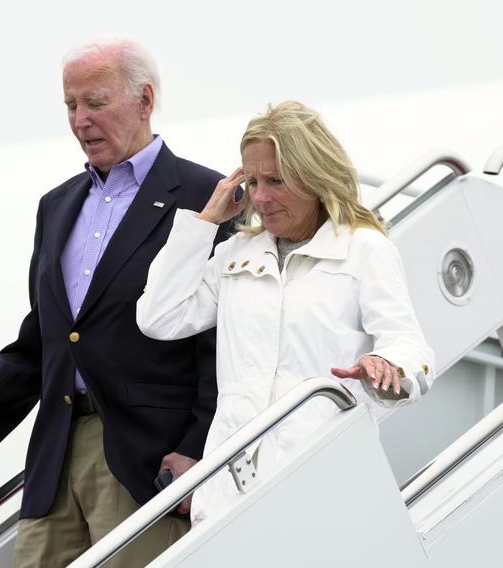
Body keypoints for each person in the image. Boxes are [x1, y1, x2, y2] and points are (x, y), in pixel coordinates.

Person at [0, 39, 228, 568]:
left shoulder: (204, 196)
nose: (80, 120)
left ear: (144, 100)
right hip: (53, 455)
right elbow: (41, 341)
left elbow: (221, 342)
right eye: (70, 106)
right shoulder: (57, 206)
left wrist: (198, 447)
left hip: (146, 461)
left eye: (95, 102)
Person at [136, 100, 434, 524]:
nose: (260, 197)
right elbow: (157, 317)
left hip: (319, 482)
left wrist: (387, 365)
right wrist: (204, 222)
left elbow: (410, 345)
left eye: (276, 180)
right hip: (228, 492)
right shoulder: (235, 254)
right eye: (252, 181)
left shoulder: (365, 249)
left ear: (313, 175)